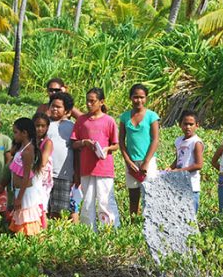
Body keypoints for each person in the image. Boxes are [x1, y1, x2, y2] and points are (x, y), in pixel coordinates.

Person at [71, 88, 120, 229]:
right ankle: (89, 233)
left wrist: (107, 149)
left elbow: (115, 145)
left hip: (104, 168)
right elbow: (74, 143)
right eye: (87, 100)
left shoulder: (109, 121)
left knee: (105, 201)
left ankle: (110, 231)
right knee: (87, 202)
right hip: (86, 168)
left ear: (101, 102)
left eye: (92, 101)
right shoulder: (81, 120)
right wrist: (84, 142)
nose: (88, 104)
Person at [118, 84, 160, 216]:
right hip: (131, 161)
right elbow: (121, 141)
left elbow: (155, 140)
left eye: (142, 97)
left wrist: (146, 162)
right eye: (135, 97)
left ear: (146, 98)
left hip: (148, 161)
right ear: (131, 98)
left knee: (150, 194)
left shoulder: (151, 116)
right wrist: (128, 160)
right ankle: (133, 224)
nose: (139, 100)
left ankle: (151, 223)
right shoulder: (125, 117)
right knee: (133, 194)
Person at [9, 118, 43, 235]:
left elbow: (26, 176)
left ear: (25, 133)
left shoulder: (28, 151)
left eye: (16, 132)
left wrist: (19, 198)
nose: (14, 135)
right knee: (21, 222)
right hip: (20, 191)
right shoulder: (22, 147)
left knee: (27, 223)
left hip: (25, 193)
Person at [167, 110, 204, 215]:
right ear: (180, 125)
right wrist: (171, 168)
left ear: (197, 125)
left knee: (191, 215)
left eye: (191, 124)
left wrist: (179, 171)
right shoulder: (178, 141)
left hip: (192, 185)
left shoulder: (196, 142)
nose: (188, 127)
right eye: (185, 124)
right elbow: (178, 158)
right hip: (179, 183)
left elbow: (198, 165)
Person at [46, 92, 76, 219]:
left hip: (64, 174)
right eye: (52, 106)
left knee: (60, 209)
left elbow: (76, 150)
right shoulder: (45, 125)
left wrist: (77, 174)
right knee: (45, 206)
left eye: (58, 107)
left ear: (67, 111)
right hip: (45, 174)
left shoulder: (72, 126)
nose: (54, 109)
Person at [33, 112, 54, 225]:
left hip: (42, 178)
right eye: (37, 126)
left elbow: (43, 162)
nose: (40, 129)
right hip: (31, 176)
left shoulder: (47, 142)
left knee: (41, 203)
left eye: (43, 126)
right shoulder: (31, 141)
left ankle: (43, 228)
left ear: (47, 127)